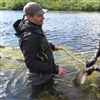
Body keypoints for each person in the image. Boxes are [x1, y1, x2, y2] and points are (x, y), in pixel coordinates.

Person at [13, 2, 66, 99]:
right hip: (39, 79)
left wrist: (53, 47)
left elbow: (41, 43)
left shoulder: (35, 27)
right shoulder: (29, 37)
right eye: (39, 16)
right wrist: (56, 69)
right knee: (38, 96)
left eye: (43, 15)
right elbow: (30, 63)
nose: (43, 18)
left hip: (46, 72)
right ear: (29, 17)